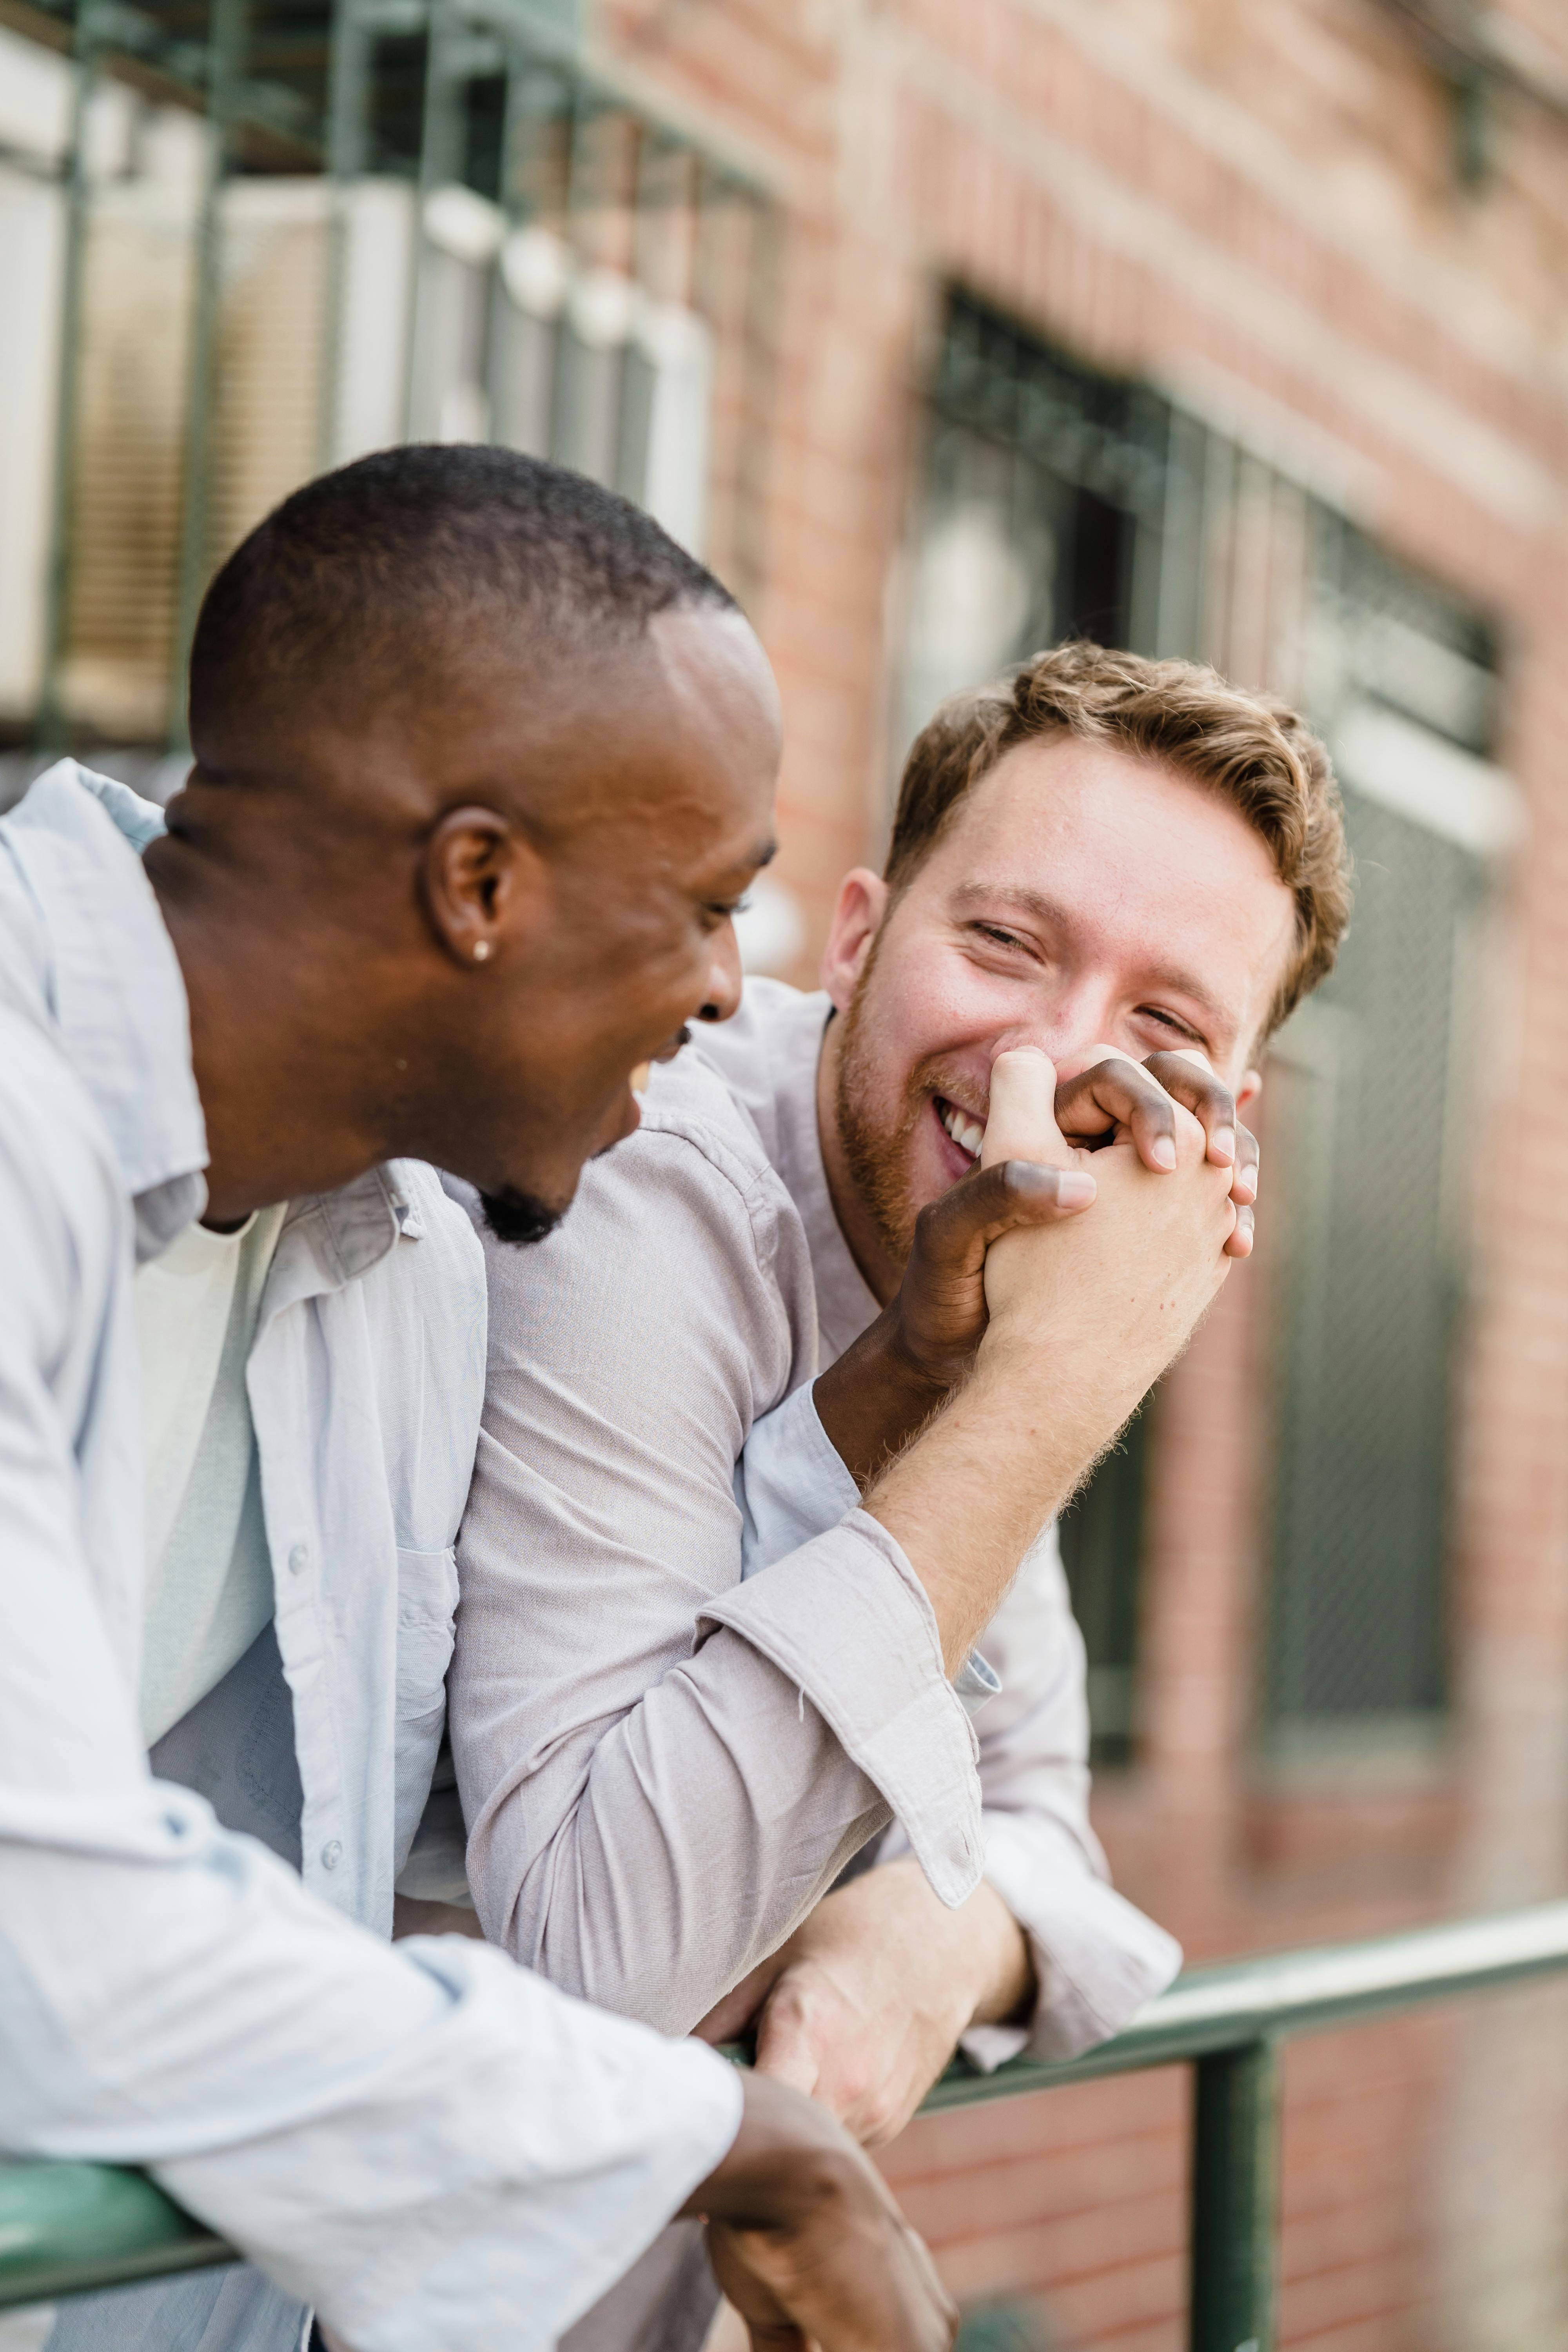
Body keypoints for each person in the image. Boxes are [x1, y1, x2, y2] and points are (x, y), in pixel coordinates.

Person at [0, 446, 963, 2352]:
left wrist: (937, 1372)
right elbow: (47, 1927)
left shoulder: (418, 1259)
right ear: (478, 883)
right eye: (704, 906)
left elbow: (530, 1849)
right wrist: (733, 2152)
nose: (720, 997)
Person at [420, 644, 1343, 2346]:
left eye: (1166, 1027)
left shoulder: (1033, 1254)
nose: (1054, 1061)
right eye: (1004, 942)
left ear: (1224, 1127)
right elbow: (598, 1968)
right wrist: (1048, 1397)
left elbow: (1043, 1822)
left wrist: (939, 1932)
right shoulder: (642, 1173)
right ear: (857, 934)